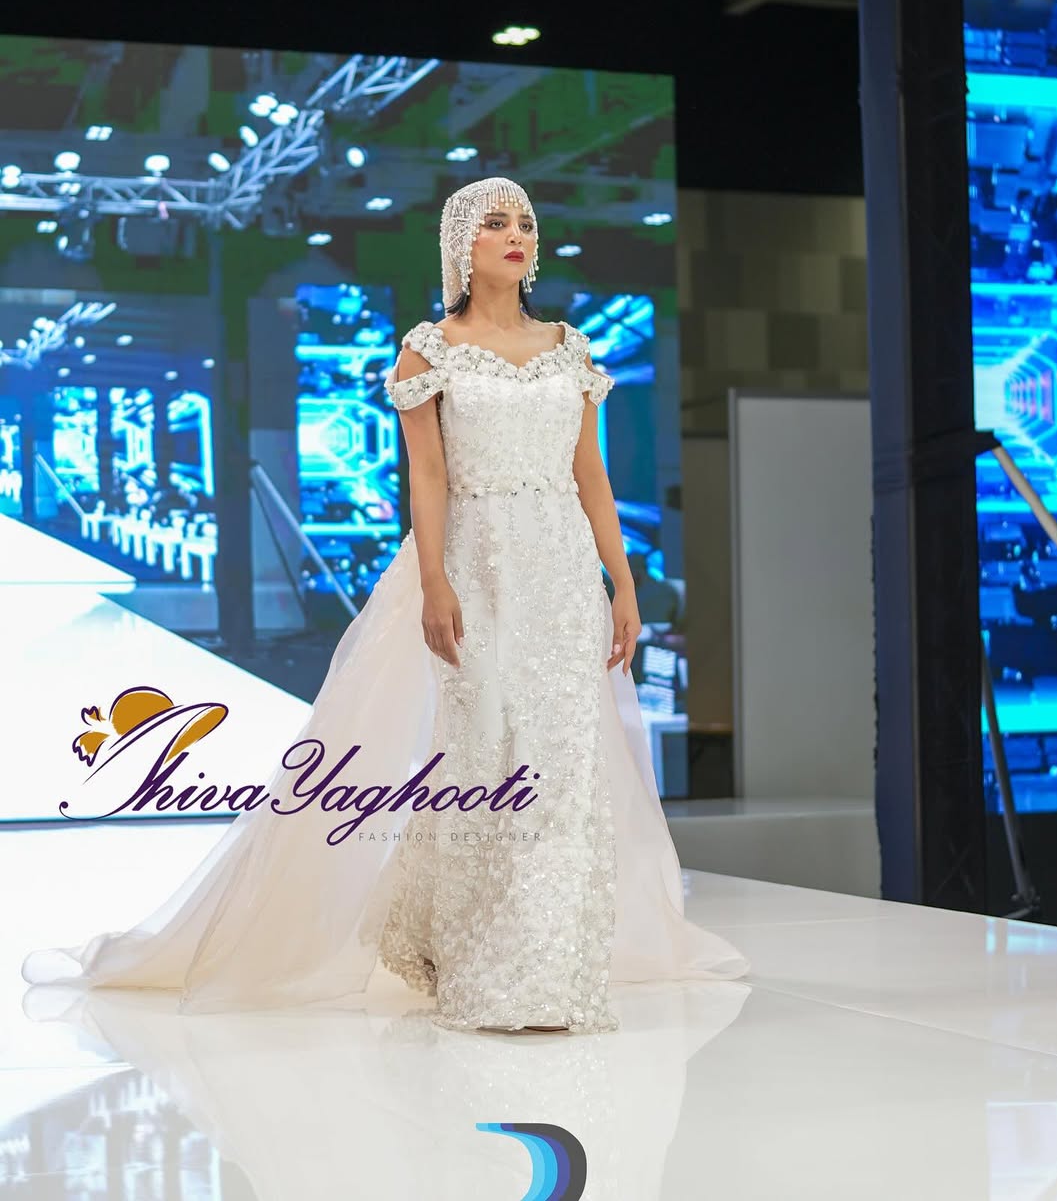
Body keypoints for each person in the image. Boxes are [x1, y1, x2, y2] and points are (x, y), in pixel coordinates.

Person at [22, 176, 749, 1037]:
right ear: (461, 244)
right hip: (475, 564)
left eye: (524, 222)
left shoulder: (572, 351)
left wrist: (621, 581)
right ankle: (476, 958)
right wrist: (436, 581)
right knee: (486, 760)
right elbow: (428, 477)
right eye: (494, 223)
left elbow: (591, 476)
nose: (514, 234)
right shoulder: (429, 351)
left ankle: (549, 970)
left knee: (563, 765)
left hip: (560, 574)